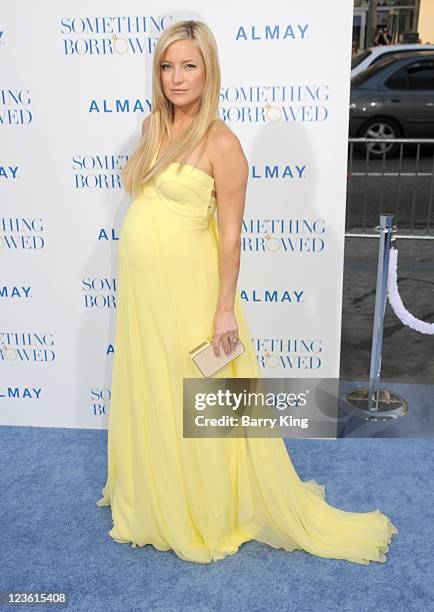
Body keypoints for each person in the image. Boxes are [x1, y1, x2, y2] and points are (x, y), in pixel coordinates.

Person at [96, 19, 398, 564]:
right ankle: (155, 495)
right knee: (154, 391)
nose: (176, 77)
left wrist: (223, 311)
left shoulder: (222, 141)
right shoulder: (150, 129)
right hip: (143, 292)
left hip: (190, 291)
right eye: (167, 65)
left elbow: (231, 238)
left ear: (208, 69)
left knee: (198, 402)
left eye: (188, 65)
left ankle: (204, 509)